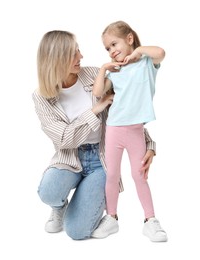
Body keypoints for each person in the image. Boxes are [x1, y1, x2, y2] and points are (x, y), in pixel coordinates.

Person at [32, 30, 156, 240]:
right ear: (57, 58)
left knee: (78, 232)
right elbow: (63, 140)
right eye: (74, 53)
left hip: (101, 160)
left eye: (78, 50)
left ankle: (86, 194)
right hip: (70, 158)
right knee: (49, 191)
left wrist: (149, 145)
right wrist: (95, 110)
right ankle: (60, 206)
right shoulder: (41, 97)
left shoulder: (94, 75)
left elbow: (127, 112)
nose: (81, 56)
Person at [91, 21, 167, 242]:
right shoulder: (115, 71)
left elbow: (161, 52)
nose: (112, 50)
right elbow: (97, 92)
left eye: (114, 44)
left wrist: (139, 52)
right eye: (107, 48)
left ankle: (150, 220)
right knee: (112, 175)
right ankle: (111, 218)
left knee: (139, 175)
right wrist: (105, 68)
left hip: (135, 131)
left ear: (130, 39)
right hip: (114, 129)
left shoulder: (145, 62)